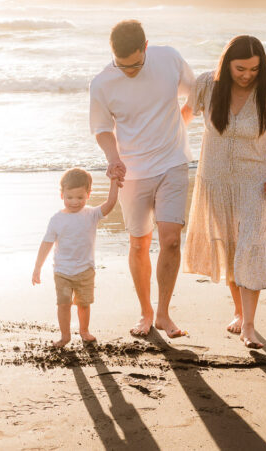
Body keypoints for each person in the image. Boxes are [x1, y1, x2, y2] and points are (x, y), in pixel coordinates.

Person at [89, 20, 195, 338]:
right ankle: (145, 311)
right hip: (132, 172)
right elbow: (102, 129)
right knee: (139, 244)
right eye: (122, 66)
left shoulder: (169, 59)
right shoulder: (102, 83)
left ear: (145, 47)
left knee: (171, 240)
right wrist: (113, 158)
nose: (130, 71)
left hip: (173, 162)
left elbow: (200, 90)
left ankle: (163, 314)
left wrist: (184, 119)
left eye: (135, 64)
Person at [182, 35, 266, 349]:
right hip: (215, 179)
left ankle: (250, 327)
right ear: (226, 63)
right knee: (230, 247)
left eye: (254, 69)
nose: (246, 75)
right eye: (240, 68)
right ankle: (240, 312)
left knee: (251, 247)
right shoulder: (207, 85)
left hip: (256, 180)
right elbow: (183, 117)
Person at [32, 167, 119, 347]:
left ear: (88, 194)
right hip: (62, 271)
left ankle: (84, 330)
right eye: (69, 197)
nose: (74, 202)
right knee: (63, 304)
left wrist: (114, 182)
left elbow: (110, 203)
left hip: (85, 270)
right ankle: (65, 336)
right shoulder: (56, 219)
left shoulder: (91, 214)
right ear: (61, 195)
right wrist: (37, 267)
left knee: (84, 304)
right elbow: (46, 243)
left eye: (80, 197)